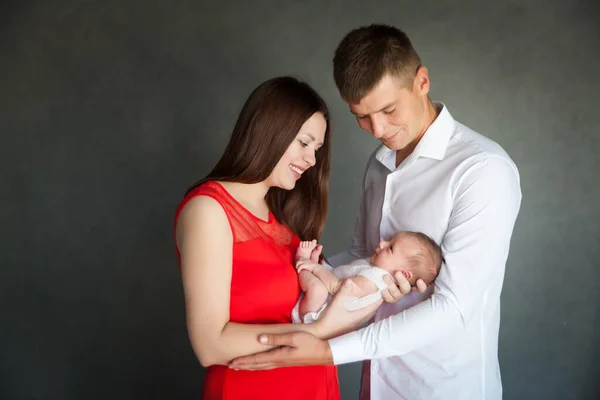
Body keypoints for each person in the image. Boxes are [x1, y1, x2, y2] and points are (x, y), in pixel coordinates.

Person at [229, 24, 522, 400]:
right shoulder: (379, 164)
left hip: (443, 387)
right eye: (361, 117)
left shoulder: (482, 170)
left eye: (387, 109)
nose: (378, 129)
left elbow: (454, 307)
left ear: (422, 82)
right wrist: (287, 275)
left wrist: (328, 350)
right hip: (377, 385)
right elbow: (358, 253)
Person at [174, 76, 384, 400]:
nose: (312, 160)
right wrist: (318, 331)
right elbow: (210, 344)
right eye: (304, 143)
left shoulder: (284, 222)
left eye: (316, 148)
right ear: (268, 129)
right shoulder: (209, 209)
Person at [292, 231, 442, 323]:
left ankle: (302, 261)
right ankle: (310, 264)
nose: (382, 243)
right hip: (327, 293)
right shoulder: (376, 266)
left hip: (317, 313)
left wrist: (315, 267)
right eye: (389, 240)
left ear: (403, 274)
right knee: (321, 280)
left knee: (317, 290)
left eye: (390, 247)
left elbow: (337, 286)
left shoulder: (376, 281)